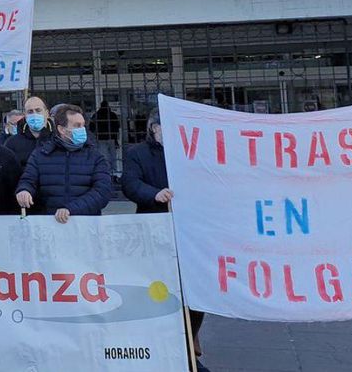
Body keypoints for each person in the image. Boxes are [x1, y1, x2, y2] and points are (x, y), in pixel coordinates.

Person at [120, 110, 209, 368]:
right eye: (164, 128)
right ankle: (166, 343)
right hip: (153, 230)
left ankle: (190, 338)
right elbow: (130, 184)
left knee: (193, 290)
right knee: (158, 291)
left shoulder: (188, 152)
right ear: (153, 128)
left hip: (189, 230)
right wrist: (154, 194)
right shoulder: (137, 154)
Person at [16, 104, 112, 223]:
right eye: (77, 126)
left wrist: (71, 209)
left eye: (83, 125)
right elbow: (28, 180)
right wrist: (24, 190)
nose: (82, 129)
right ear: (62, 129)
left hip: (86, 225)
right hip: (48, 224)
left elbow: (103, 192)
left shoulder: (95, 157)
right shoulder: (40, 155)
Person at [3, 96, 52, 167]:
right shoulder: (12, 143)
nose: (34, 114)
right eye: (30, 111)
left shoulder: (57, 139)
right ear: (25, 115)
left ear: (47, 113)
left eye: (38, 110)